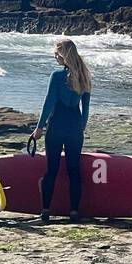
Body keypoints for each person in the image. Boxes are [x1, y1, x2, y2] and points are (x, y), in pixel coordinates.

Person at [31, 39, 92, 224]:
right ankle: (74, 211)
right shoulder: (85, 75)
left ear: (63, 54)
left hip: (56, 127)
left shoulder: (57, 76)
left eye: (56, 53)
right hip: (74, 128)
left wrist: (39, 127)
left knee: (52, 170)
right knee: (74, 170)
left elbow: (48, 103)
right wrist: (80, 127)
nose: (54, 56)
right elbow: (86, 108)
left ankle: (45, 210)